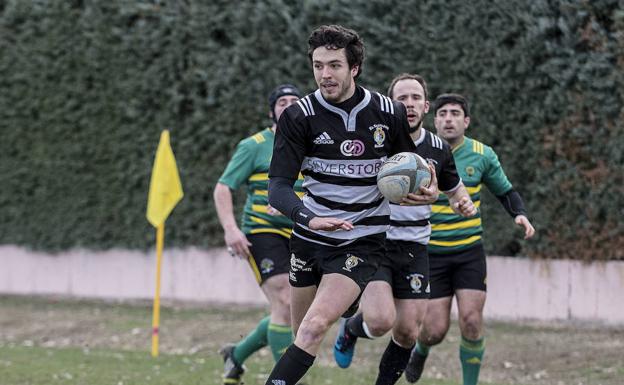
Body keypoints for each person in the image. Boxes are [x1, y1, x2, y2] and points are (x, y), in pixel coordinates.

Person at [264, 25, 421, 385]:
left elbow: (409, 166)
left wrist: (423, 185)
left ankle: (347, 298)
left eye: (334, 65)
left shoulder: (387, 112)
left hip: (361, 238)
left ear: (354, 68)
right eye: (318, 66)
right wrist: (309, 217)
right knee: (300, 335)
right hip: (309, 236)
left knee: (314, 328)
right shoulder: (299, 116)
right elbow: (279, 187)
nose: (324, 75)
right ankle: (347, 304)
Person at [332, 74, 476, 385]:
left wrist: (461, 203)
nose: (408, 104)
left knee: (409, 331)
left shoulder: (438, 147)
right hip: (375, 242)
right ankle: (352, 328)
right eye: (401, 98)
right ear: (389, 105)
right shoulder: (373, 141)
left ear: (425, 105)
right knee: (382, 320)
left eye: (414, 98)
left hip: (414, 247)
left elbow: (455, 190)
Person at [404, 93, 536, 385]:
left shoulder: (482, 154)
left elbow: (505, 191)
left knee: (472, 321)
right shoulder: (416, 154)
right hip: (432, 252)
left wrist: (520, 214)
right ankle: (421, 350)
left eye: (455, 113)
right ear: (434, 119)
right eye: (443, 114)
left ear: (466, 121)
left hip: (468, 252)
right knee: (434, 330)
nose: (448, 118)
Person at [213, 84, 303, 385]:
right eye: (282, 102)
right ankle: (285, 381)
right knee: (285, 300)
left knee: (293, 309)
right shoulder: (253, 145)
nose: (288, 106)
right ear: (272, 111)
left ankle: (236, 355)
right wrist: (230, 229)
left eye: (294, 102)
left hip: (303, 234)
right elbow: (223, 187)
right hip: (261, 231)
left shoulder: (312, 144)